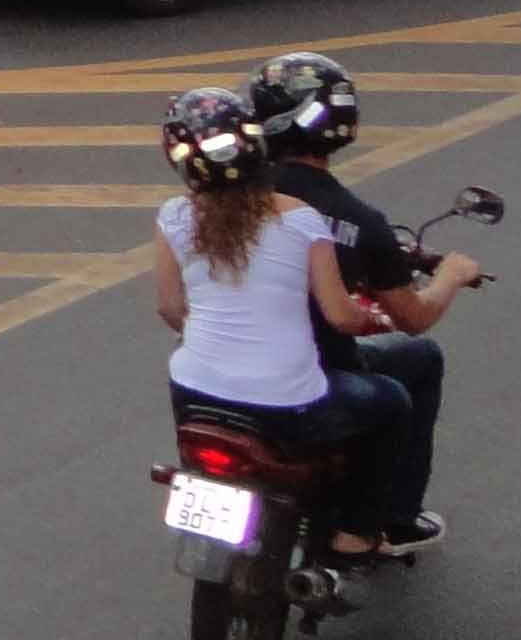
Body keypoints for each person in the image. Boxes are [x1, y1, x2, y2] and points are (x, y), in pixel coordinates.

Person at [148, 85, 421, 559]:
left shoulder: (172, 217)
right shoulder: (302, 221)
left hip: (193, 396)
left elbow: (170, 308)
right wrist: (369, 318)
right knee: (392, 401)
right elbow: (339, 315)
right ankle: (356, 533)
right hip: (287, 407)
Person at [248, 52, 482, 554]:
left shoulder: (224, 202)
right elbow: (412, 319)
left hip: (213, 378)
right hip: (307, 380)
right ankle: (379, 524)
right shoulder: (354, 221)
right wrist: (451, 277)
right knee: (411, 370)